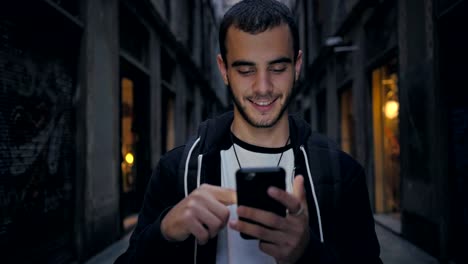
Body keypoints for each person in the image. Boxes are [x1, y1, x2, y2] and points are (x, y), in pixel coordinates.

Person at [116, 0, 382, 263]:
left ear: (297, 65)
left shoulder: (341, 173)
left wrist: (309, 252)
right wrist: (165, 232)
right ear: (224, 70)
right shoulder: (177, 171)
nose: (263, 87)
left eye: (277, 68)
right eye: (245, 70)